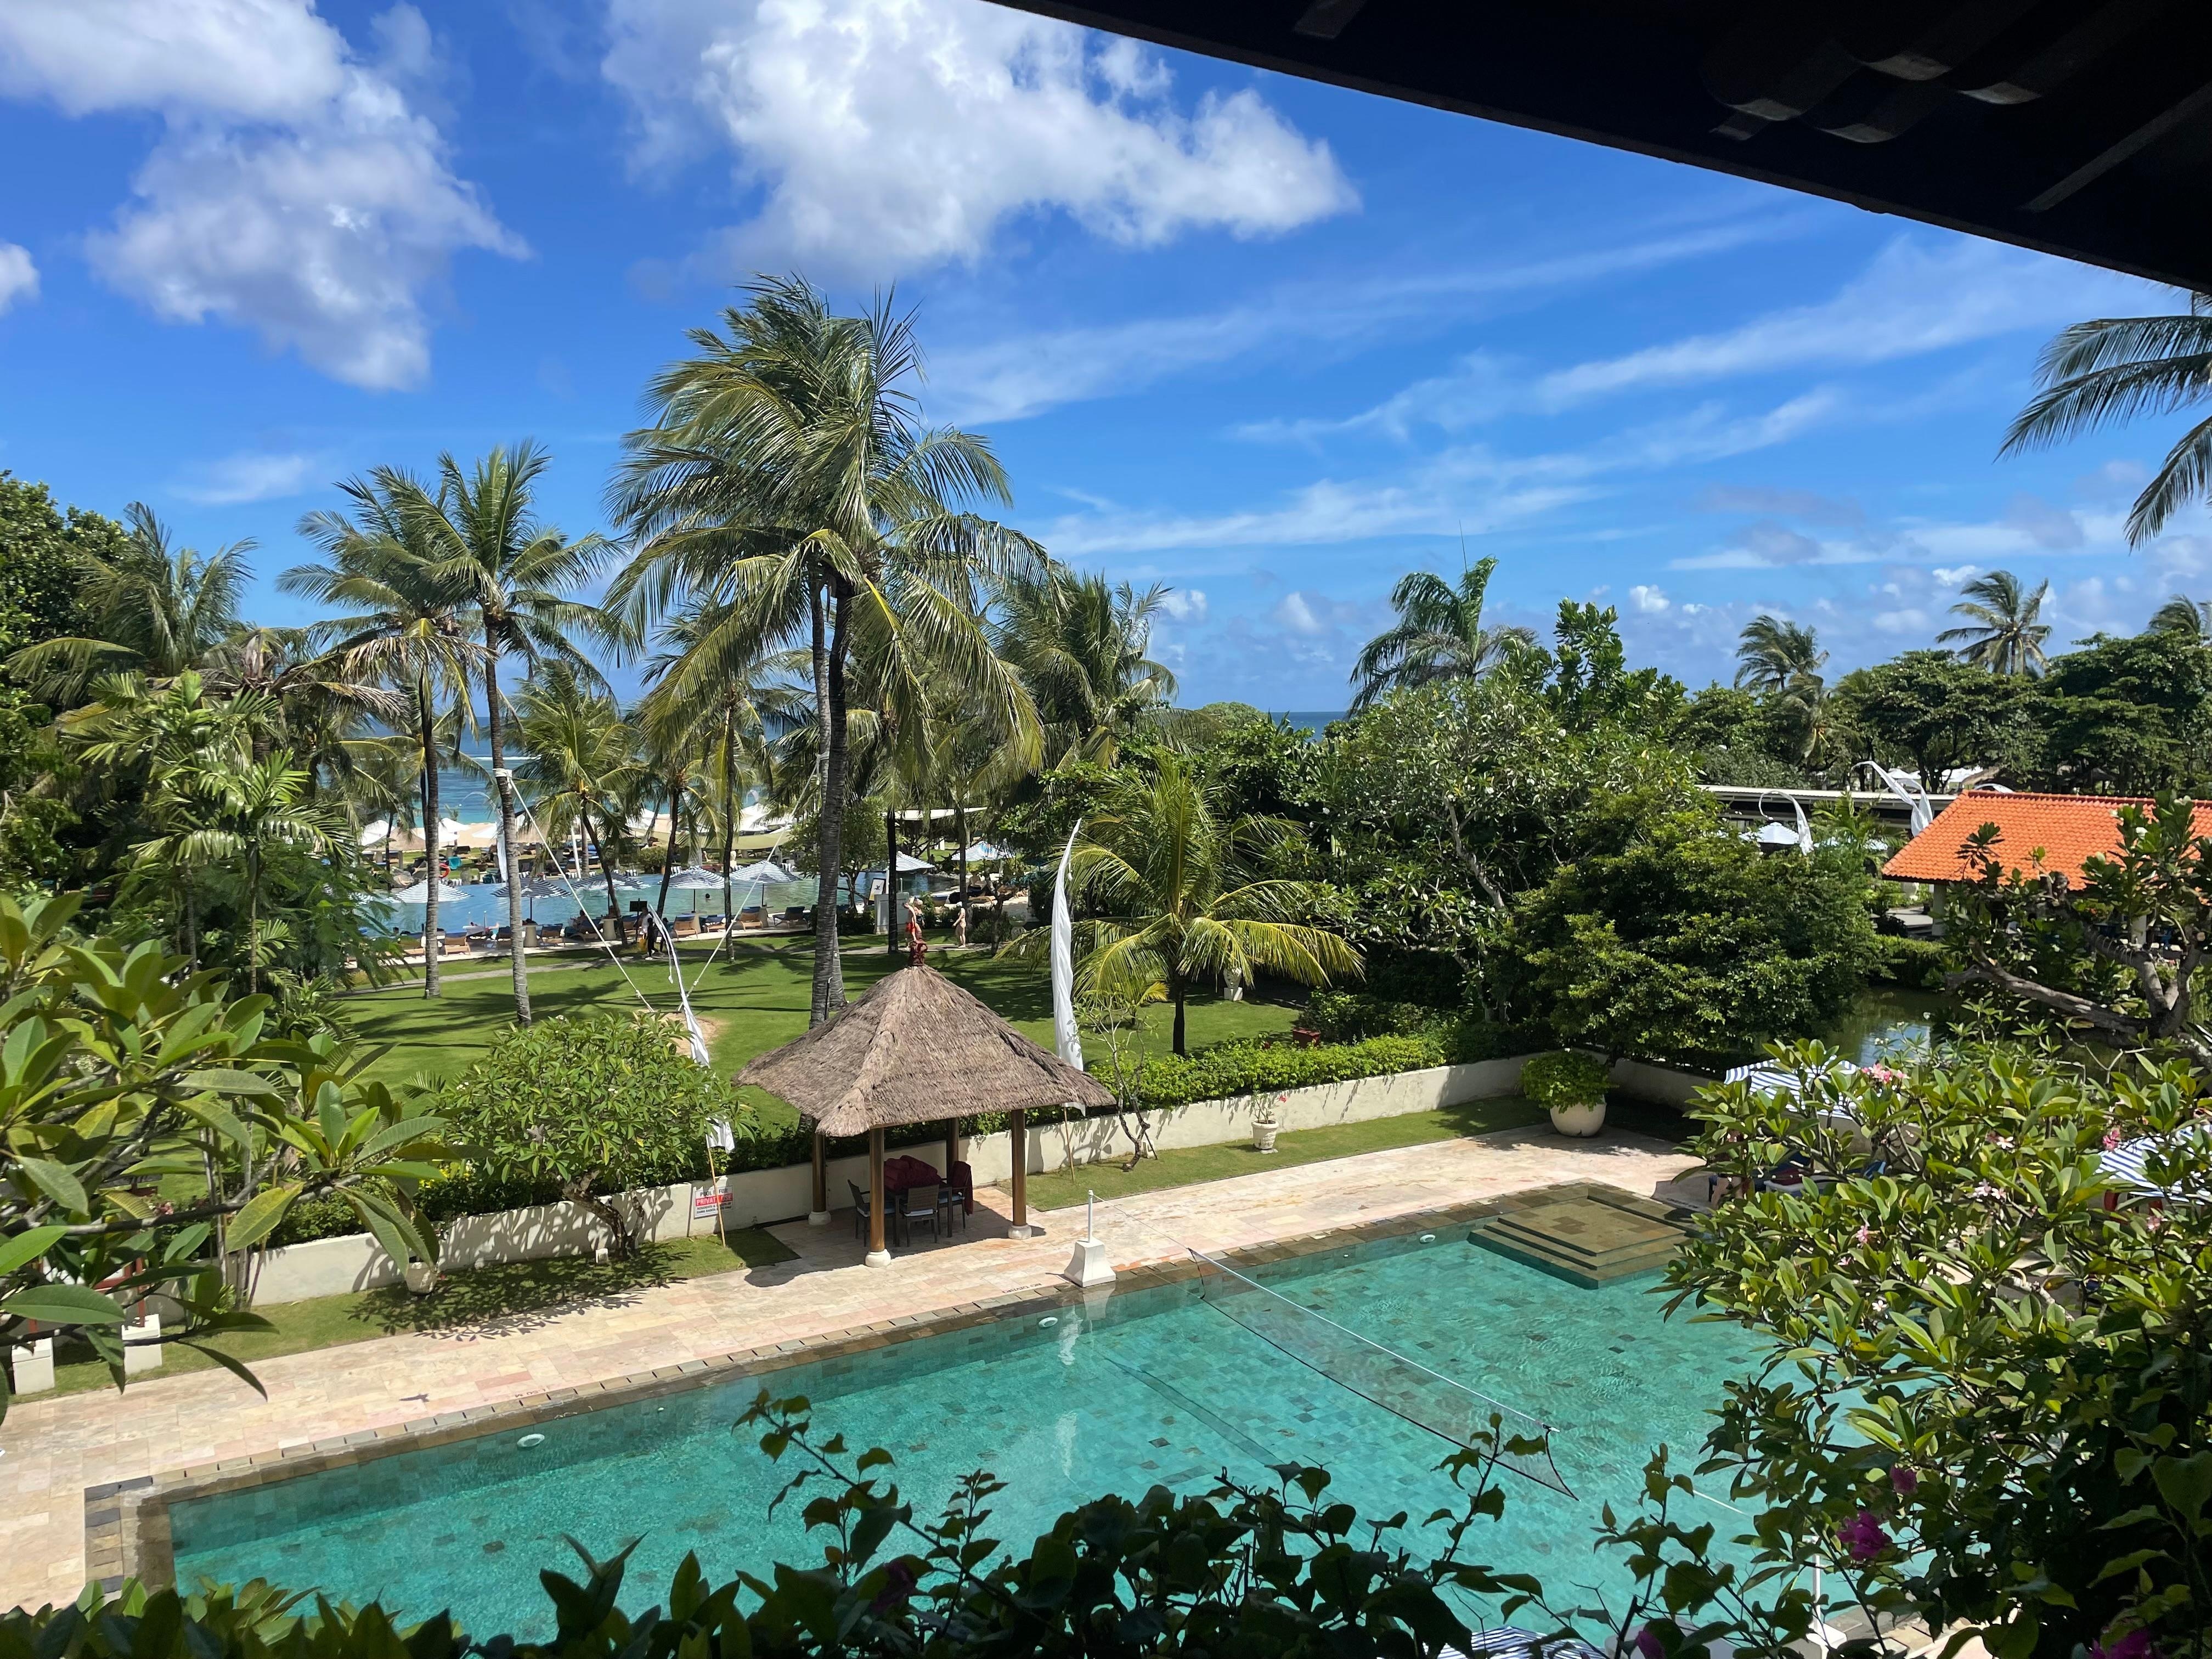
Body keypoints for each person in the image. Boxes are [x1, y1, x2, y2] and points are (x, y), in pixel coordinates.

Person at [905, 894, 927, 967]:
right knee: (913, 934)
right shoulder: (913, 909)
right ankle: (909, 944)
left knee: (918, 933)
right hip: (915, 923)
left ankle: (917, 941)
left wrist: (922, 921)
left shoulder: (919, 909)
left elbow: (921, 916)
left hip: (918, 923)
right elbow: (913, 915)